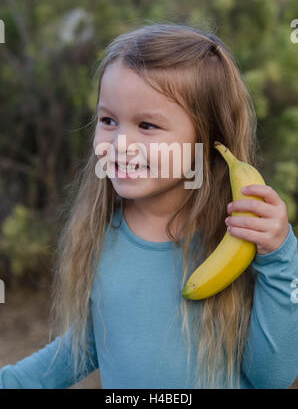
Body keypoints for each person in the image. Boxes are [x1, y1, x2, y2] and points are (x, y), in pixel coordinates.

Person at [0, 23, 297, 389]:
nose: (121, 143)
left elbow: (274, 377)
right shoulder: (101, 233)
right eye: (108, 120)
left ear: (209, 137)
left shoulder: (238, 238)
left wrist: (280, 258)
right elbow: (91, 345)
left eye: (147, 125)